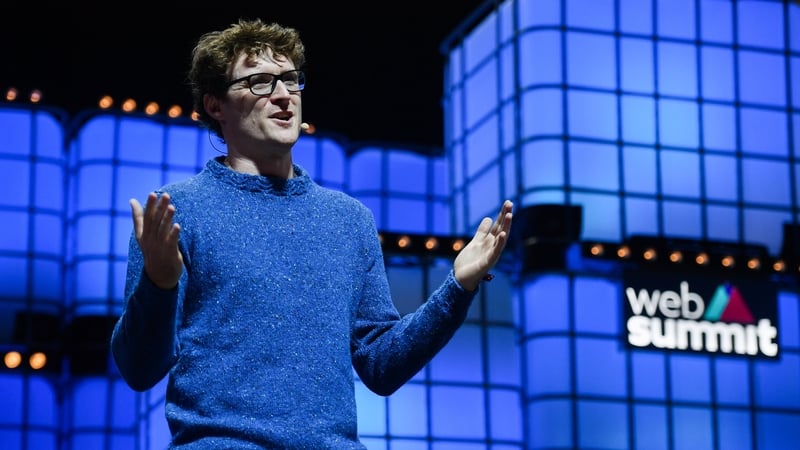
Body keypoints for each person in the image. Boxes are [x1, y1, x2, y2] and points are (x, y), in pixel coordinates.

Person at [110, 17, 514, 449]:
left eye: (290, 81)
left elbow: (381, 366)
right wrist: (159, 283)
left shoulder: (348, 219)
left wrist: (458, 287)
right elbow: (139, 369)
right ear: (215, 106)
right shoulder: (176, 213)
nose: (284, 96)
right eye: (261, 82)